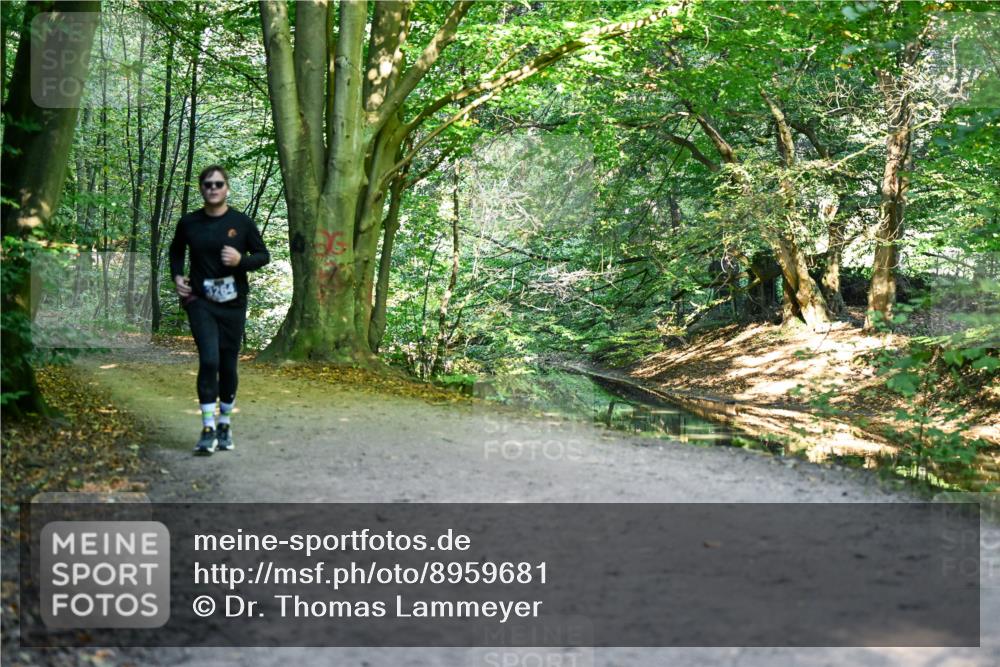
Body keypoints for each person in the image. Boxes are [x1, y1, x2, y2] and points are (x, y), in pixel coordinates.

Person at [168, 165, 270, 455]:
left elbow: (263, 255)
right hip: (200, 301)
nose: (213, 188)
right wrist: (177, 277)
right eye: (208, 184)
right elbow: (175, 251)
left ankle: (225, 423)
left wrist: (241, 260)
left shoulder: (241, 222)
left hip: (233, 304)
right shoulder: (189, 223)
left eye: (218, 184)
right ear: (201, 188)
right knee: (209, 360)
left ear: (227, 188)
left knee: (227, 364)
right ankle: (208, 428)